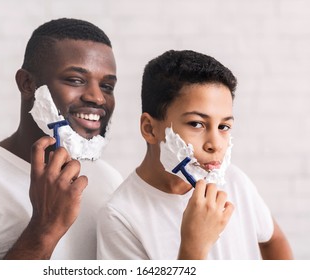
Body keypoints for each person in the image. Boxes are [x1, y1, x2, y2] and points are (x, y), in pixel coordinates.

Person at [0, 18, 122, 260]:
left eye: (107, 86)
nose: (98, 98)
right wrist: (45, 227)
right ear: (27, 84)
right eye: (75, 80)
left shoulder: (110, 180)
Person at [97, 50, 293, 260]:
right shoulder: (120, 217)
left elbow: (274, 241)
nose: (215, 144)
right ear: (150, 129)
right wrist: (194, 247)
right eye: (197, 124)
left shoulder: (234, 182)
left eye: (224, 126)